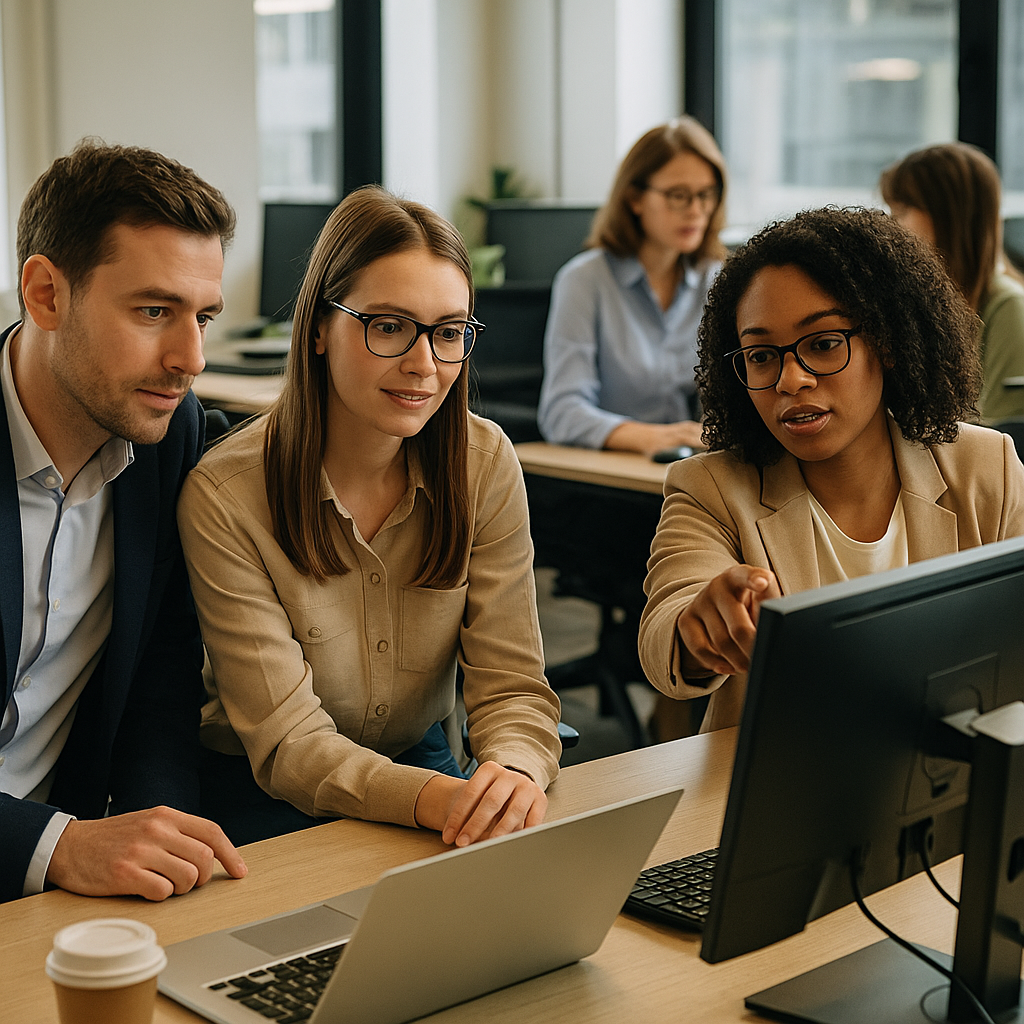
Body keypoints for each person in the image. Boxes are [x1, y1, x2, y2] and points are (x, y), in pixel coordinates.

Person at [177, 186, 562, 848]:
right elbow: (291, 745)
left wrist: (512, 772)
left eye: (449, 334)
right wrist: (446, 800)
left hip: (430, 773)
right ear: (321, 328)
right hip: (264, 796)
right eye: (388, 326)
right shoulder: (226, 494)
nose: (424, 365)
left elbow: (514, 689)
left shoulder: (485, 462)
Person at [639, 207, 1024, 732]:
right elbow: (667, 628)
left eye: (822, 344)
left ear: (888, 343)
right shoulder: (710, 488)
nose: (790, 379)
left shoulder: (985, 468)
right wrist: (700, 626)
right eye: (760, 356)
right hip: (784, 792)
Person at [0, 141, 247, 903]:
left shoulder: (170, 440)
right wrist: (58, 845)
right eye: (153, 311)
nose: (191, 357)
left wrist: (161, 837)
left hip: (54, 892)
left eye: (203, 316)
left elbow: (159, 684)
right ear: (45, 293)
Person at [537, 116, 728, 455]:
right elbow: (561, 413)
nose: (697, 210)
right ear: (635, 199)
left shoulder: (717, 280)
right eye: (678, 195)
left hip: (697, 472)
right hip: (617, 476)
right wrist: (655, 439)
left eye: (706, 195)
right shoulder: (584, 281)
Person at [880, 141, 1024, 423]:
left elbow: (1002, 438)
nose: (891, 225)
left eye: (902, 210)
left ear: (948, 216)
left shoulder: (1009, 308)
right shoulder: (916, 306)